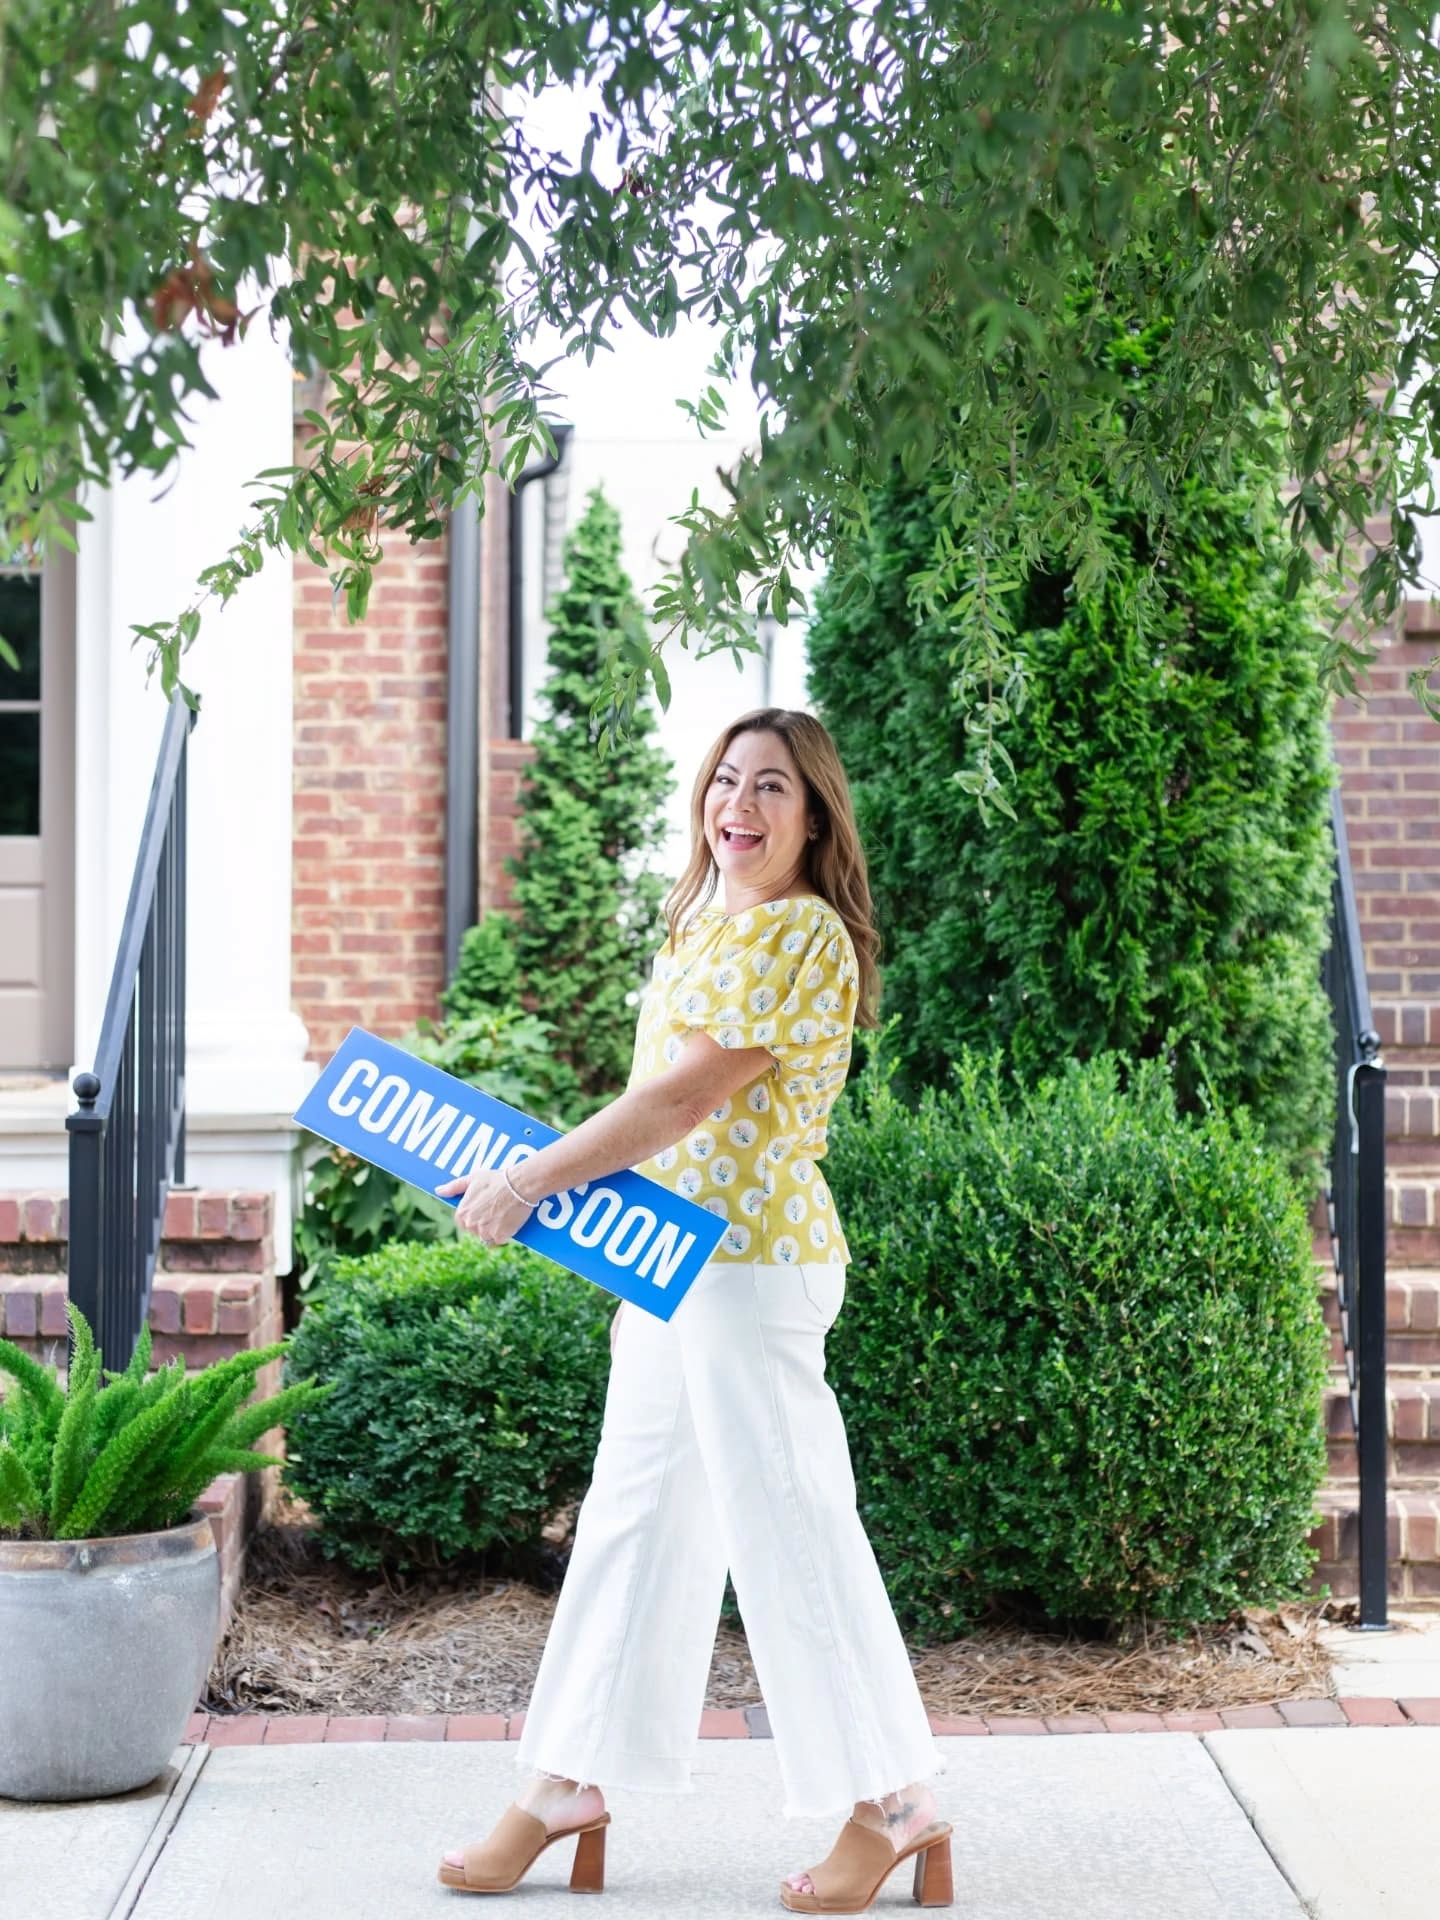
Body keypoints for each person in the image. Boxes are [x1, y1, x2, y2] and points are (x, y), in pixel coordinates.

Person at [434, 708, 950, 1913]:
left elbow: (681, 1101)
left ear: (813, 816)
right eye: (726, 780)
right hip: (669, 1270)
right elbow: (644, 1113)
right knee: (630, 1520)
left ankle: (893, 1802)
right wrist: (540, 1183)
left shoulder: (804, 935)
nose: (742, 804)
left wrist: (529, 1180)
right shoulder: (699, 924)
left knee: (793, 1530)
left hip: (755, 1268)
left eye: (773, 787)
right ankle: (561, 1784)